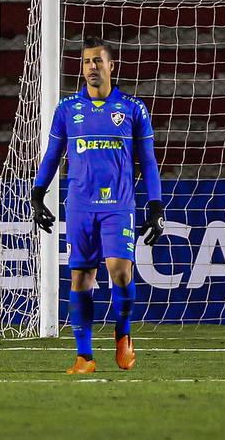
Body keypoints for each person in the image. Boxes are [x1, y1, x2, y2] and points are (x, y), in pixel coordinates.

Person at [31, 36, 164, 374]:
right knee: (81, 279)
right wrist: (37, 193)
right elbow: (51, 156)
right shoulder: (67, 109)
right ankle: (84, 356)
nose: (92, 67)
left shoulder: (133, 109)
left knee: (120, 271)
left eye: (98, 61)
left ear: (111, 66)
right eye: (87, 61)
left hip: (118, 204)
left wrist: (156, 205)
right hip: (79, 205)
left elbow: (147, 161)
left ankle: (123, 335)